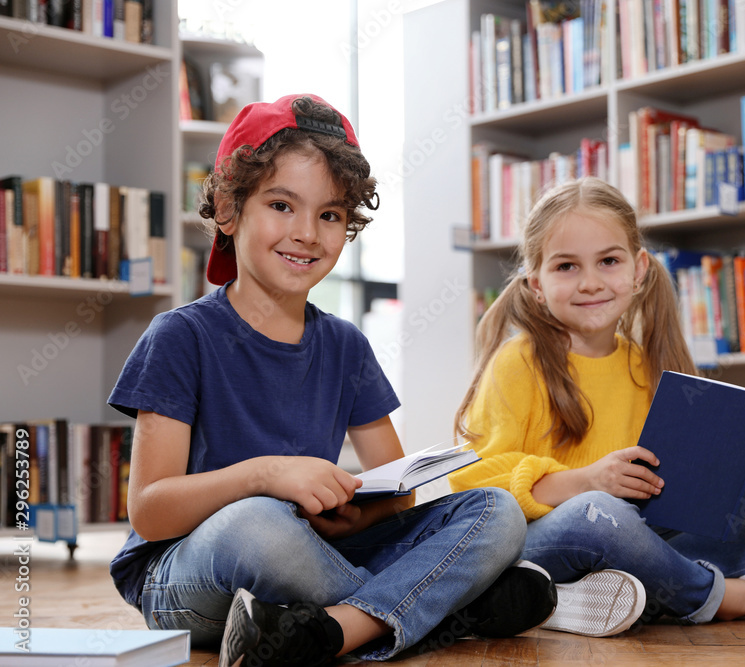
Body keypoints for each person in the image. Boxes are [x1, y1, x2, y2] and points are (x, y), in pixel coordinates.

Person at [107, 94, 556, 667]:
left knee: (495, 510)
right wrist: (266, 476)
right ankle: (444, 611)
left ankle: (332, 630)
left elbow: (399, 495)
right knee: (260, 523)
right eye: (281, 205)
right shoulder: (180, 337)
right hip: (187, 575)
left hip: (314, 552)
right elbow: (150, 510)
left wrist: (353, 511)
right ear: (226, 208)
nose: (307, 234)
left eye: (330, 215)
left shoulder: (345, 345)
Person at [449, 177, 745, 638]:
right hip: (544, 543)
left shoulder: (649, 366)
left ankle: (585, 599)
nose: (591, 282)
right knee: (598, 512)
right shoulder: (518, 362)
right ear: (536, 284)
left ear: (638, 269)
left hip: (634, 537)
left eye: (608, 261)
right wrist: (585, 480)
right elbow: (473, 482)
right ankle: (733, 600)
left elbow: (679, 488)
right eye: (566, 266)